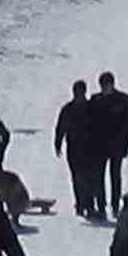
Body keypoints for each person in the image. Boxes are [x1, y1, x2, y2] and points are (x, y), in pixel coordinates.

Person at [86, 72, 128, 220]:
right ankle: (101, 207)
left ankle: (115, 206)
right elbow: (88, 120)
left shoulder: (123, 100)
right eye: (103, 86)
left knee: (115, 175)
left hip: (117, 144)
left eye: (107, 85)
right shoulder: (95, 100)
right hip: (99, 145)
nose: (105, 88)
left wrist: (126, 139)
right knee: (98, 177)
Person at [54, 80, 102, 217]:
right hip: (74, 148)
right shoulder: (69, 109)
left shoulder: (91, 108)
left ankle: (88, 205)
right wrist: (58, 144)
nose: (79, 95)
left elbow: (99, 127)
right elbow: (60, 128)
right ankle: (81, 204)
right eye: (77, 92)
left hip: (90, 148)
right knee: (78, 177)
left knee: (89, 178)